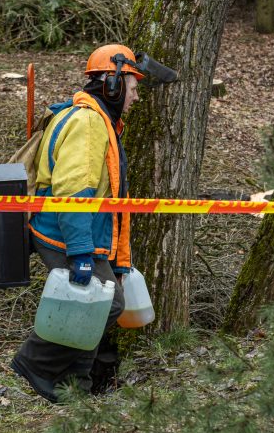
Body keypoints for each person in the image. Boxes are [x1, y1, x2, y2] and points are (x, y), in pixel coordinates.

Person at [11, 43, 177, 402]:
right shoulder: (88, 123)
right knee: (106, 303)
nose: (135, 98)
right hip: (63, 232)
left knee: (97, 303)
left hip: (82, 232)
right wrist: (82, 252)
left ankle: (75, 387)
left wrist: (115, 258)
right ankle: (36, 362)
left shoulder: (100, 121)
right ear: (112, 84)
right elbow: (75, 192)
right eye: (133, 90)